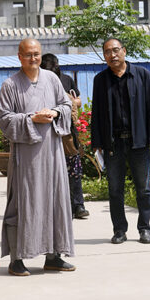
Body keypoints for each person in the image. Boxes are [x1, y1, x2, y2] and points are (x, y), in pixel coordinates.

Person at [0, 38, 76, 276]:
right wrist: (31, 118)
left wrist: (53, 112)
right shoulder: (10, 84)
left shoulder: (52, 79)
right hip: (26, 157)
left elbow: (66, 105)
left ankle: (54, 256)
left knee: (55, 201)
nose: (33, 58)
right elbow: (4, 119)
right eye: (29, 54)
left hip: (52, 154)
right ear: (19, 56)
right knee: (23, 203)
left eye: (37, 54)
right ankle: (17, 258)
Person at [90, 39, 150, 244]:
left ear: (124, 51)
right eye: (107, 52)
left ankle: (145, 228)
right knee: (115, 189)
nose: (112, 55)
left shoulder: (142, 75)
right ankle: (119, 230)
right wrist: (97, 142)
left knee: (143, 188)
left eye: (115, 50)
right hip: (113, 143)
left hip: (138, 141)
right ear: (104, 56)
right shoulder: (100, 80)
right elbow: (96, 113)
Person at [40, 53, 89, 219]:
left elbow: (79, 101)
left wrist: (68, 103)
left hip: (67, 134)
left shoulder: (66, 79)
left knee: (73, 171)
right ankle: (60, 207)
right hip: (46, 134)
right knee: (51, 174)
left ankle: (78, 205)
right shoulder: (38, 82)